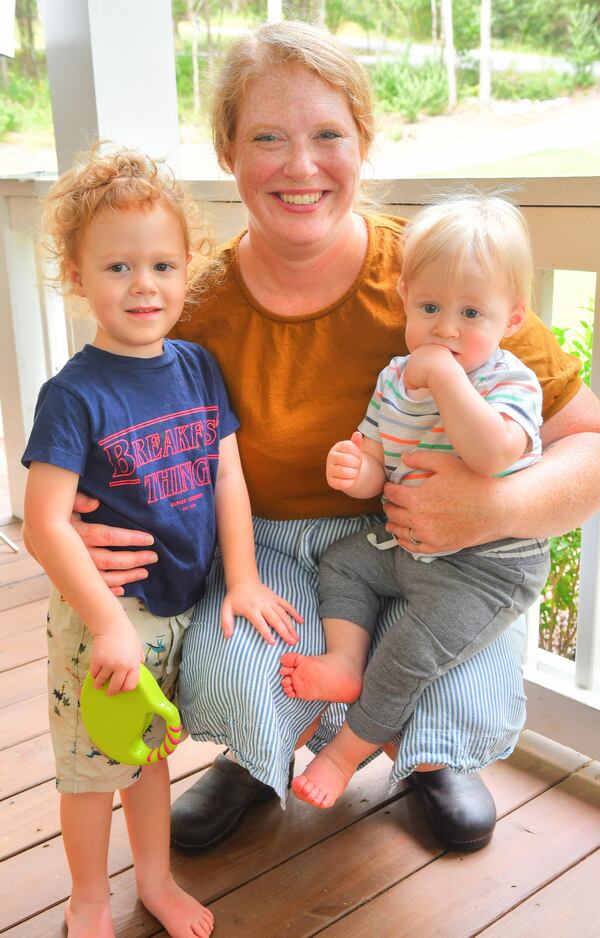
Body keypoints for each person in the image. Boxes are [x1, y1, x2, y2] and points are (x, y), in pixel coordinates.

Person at [56, 21, 600, 856]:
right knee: (237, 666)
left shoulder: (435, 279)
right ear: (229, 153)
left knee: (451, 666)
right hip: (261, 550)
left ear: (363, 144)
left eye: (326, 136)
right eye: (266, 138)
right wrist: (89, 518)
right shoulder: (187, 300)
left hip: (412, 545)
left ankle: (429, 757)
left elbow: (588, 440)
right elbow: (106, 419)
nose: (300, 166)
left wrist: (490, 508)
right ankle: (257, 755)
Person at [21, 148, 301, 938]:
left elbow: (227, 480)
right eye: (117, 266)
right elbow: (45, 520)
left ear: (188, 269)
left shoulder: (198, 368)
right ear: (78, 277)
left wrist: (241, 577)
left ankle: (155, 881)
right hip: (106, 617)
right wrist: (107, 623)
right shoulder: (73, 394)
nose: (144, 284)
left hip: (179, 604)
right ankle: (85, 899)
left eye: (162, 264)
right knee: (89, 772)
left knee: (147, 756)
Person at [281, 193, 551, 809]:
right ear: (404, 296)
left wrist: (448, 378)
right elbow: (380, 456)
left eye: (471, 313)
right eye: (430, 306)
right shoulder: (395, 378)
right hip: (407, 545)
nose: (446, 328)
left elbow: (490, 455)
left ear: (511, 319)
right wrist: (359, 471)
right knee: (343, 561)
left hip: (485, 569)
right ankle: (345, 661)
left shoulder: (509, 381)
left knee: (407, 655)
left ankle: (346, 753)